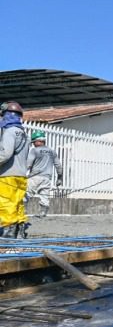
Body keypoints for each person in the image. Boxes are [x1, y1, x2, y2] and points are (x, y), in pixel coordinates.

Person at [0, 101, 30, 238]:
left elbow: (5, 153)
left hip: (8, 175)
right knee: (18, 204)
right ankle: (20, 231)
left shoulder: (9, 131)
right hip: (21, 175)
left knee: (6, 202)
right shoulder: (24, 134)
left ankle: (8, 233)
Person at [25, 130, 63, 218]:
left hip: (34, 177)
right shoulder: (52, 151)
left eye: (34, 142)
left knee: (26, 194)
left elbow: (28, 164)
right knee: (44, 195)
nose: (33, 144)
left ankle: (22, 211)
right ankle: (43, 213)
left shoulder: (34, 150)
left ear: (38, 141)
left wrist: (22, 174)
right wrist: (59, 178)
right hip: (47, 178)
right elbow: (58, 166)